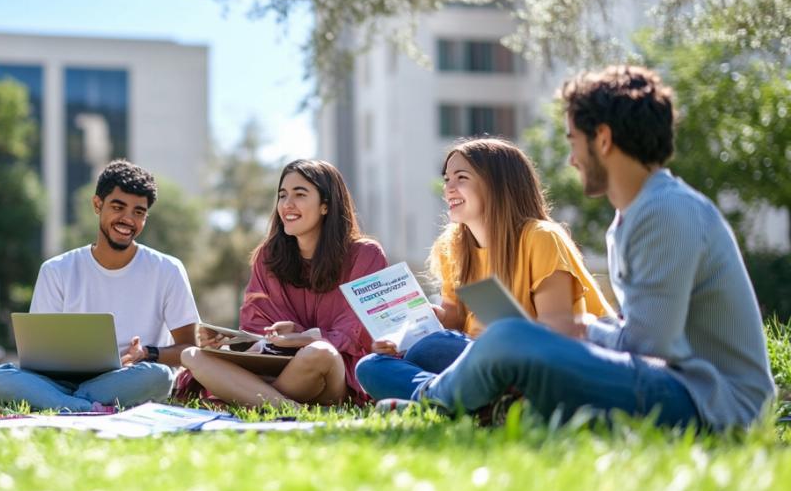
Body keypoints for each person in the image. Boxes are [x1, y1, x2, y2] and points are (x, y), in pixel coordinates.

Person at [401, 65, 776, 430]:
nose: (572, 159)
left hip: (714, 403)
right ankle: (484, 401)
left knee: (509, 338)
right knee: (493, 346)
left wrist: (581, 329)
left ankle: (426, 399)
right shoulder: (635, 215)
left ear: (603, 139)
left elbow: (649, 345)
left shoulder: (667, 212)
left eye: (573, 142)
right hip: (673, 384)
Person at [355, 138, 613, 402]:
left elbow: (557, 330)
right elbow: (454, 318)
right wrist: (417, 324)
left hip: (550, 362)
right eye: (447, 179)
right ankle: (470, 401)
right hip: (478, 359)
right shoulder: (451, 246)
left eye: (461, 178)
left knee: (430, 348)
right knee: (370, 366)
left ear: (497, 184)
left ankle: (444, 399)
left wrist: (502, 341)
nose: (448, 189)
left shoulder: (541, 237)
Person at [0, 160, 199, 411]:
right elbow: (38, 355)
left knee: (159, 376)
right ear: (97, 205)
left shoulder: (168, 269)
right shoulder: (56, 270)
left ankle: (64, 405)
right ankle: (87, 408)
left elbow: (190, 348)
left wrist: (147, 353)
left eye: (138, 212)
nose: (128, 219)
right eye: (118, 207)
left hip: (125, 380)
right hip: (59, 382)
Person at [179, 159, 387, 407]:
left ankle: (247, 397)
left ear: (325, 205)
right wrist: (229, 342)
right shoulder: (268, 256)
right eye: (282, 195)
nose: (287, 204)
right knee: (191, 355)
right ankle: (288, 408)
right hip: (275, 367)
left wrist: (301, 337)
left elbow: (352, 333)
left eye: (300, 194)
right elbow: (255, 327)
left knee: (320, 352)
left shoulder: (365, 254)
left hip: (329, 372)